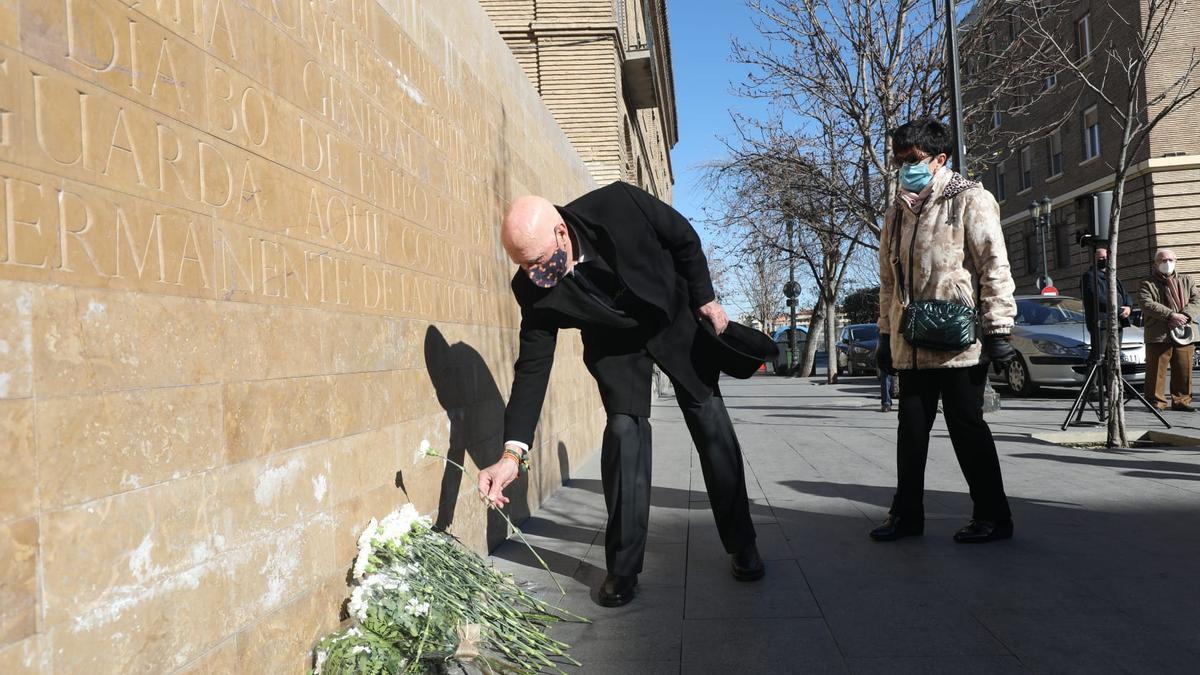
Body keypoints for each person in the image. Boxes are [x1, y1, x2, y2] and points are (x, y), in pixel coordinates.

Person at [477, 183, 764, 608]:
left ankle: (743, 544)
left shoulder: (618, 203)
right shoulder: (531, 286)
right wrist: (511, 453)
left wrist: (706, 299)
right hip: (614, 344)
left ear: (561, 232)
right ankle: (624, 567)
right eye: (524, 266)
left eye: (538, 262)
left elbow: (683, 238)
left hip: (671, 319)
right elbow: (533, 367)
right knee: (623, 435)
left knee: (710, 425)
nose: (535, 275)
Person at [872, 118, 1019, 544]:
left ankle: (993, 516)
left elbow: (995, 265)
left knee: (967, 427)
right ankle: (907, 515)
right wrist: (885, 335)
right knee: (911, 431)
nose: (904, 166)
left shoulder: (970, 199)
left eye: (913, 159)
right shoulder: (897, 212)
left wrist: (998, 329)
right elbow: (888, 282)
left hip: (959, 343)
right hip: (911, 342)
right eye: (899, 159)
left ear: (940, 159)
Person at [1138, 248, 1200, 412]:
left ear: (1176, 262)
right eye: (1163, 260)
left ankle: (1182, 401)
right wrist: (1171, 315)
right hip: (1159, 334)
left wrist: (1184, 315)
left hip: (1185, 332)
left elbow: (1196, 300)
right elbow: (1146, 303)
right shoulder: (1147, 282)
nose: (1167, 263)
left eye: (1171, 260)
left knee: (1184, 369)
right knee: (1156, 370)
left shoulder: (1187, 280)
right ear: (1155, 264)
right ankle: (1155, 402)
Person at [1079, 247, 1132, 359]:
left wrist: (1128, 307)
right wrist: (1117, 310)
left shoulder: (1113, 275)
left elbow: (1125, 294)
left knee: (1114, 355)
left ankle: (1113, 376)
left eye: (1106, 257)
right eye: (1101, 258)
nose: (1104, 260)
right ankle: (1096, 376)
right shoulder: (1089, 276)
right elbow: (1096, 297)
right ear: (1094, 259)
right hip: (1102, 322)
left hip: (1118, 321)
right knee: (1099, 356)